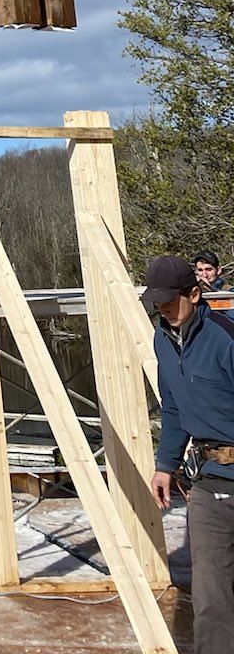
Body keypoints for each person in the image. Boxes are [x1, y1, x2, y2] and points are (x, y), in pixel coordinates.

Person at [147, 253, 234, 654]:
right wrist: (165, 465)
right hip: (208, 482)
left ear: (195, 293)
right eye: (157, 301)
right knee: (211, 596)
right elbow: (174, 407)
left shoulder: (226, 337)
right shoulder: (162, 340)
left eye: (169, 300)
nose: (162, 308)